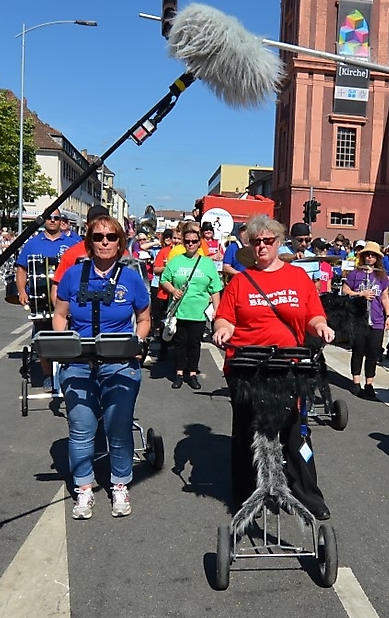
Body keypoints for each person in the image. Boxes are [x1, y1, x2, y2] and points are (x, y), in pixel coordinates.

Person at [212, 215, 334, 521]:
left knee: (296, 433)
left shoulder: (298, 278)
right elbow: (225, 317)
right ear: (250, 246)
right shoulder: (240, 282)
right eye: (256, 242)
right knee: (245, 432)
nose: (262, 246)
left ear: (279, 243)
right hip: (247, 366)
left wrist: (321, 327)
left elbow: (313, 314)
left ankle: (308, 494)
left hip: (288, 365)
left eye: (268, 241)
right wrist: (223, 330)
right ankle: (245, 494)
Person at [52, 214, 151, 519]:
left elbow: (144, 319)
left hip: (119, 363)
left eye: (111, 237)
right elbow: (60, 314)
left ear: (120, 243)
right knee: (81, 428)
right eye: (98, 237)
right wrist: (62, 343)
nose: (104, 242)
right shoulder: (73, 275)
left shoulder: (131, 278)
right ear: (89, 242)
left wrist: (137, 342)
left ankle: (119, 484)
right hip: (79, 363)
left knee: (118, 428)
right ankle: (83, 489)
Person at [15, 210, 82, 389]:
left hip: (68, 299)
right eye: (49, 218)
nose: (52, 221)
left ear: (61, 221)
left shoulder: (73, 243)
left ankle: (70, 372)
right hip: (41, 300)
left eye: (56, 218)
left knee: (70, 337)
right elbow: (22, 269)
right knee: (43, 339)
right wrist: (22, 291)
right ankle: (48, 376)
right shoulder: (32, 243)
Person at [158, 221, 223, 390]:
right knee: (180, 344)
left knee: (194, 344)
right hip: (179, 310)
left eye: (194, 241)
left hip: (199, 312)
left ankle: (192, 373)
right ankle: (179, 373)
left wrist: (217, 310)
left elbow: (215, 288)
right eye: (187, 241)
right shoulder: (176, 261)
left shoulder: (207, 263)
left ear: (199, 242)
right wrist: (173, 290)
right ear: (183, 242)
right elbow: (164, 279)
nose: (191, 244)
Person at [342, 242, 389, 399]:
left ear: (377, 258)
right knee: (358, 351)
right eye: (367, 255)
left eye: (373, 255)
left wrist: (388, 316)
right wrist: (360, 294)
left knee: (373, 352)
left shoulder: (381, 276)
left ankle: (369, 384)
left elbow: (385, 297)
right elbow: (345, 290)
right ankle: (355, 382)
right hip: (359, 319)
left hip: (377, 319)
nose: (370, 258)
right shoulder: (355, 274)